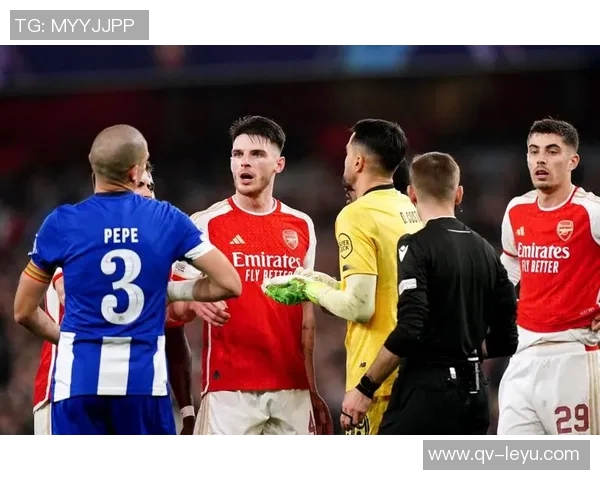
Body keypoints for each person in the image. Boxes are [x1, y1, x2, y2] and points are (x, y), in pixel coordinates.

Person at [14, 124, 241, 435]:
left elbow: (23, 311)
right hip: (144, 386)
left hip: (77, 383)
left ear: (93, 170)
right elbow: (230, 283)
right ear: (135, 172)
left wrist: (70, 342)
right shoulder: (165, 219)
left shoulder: (61, 224)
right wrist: (171, 292)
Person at [170, 115, 332, 435]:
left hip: (292, 389)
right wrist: (195, 303)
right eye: (237, 154)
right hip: (229, 390)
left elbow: (306, 317)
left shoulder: (301, 225)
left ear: (279, 164)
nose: (244, 162)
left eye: (256, 154)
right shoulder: (205, 224)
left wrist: (311, 388)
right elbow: (172, 307)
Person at [340, 151, 518, 434]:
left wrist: (365, 387)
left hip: (426, 395)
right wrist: (465, 351)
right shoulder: (486, 250)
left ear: (411, 194)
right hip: (475, 399)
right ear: (458, 194)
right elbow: (506, 339)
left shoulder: (415, 246)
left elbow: (411, 327)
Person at [268, 119, 423, 435]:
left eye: (346, 154)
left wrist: (309, 289)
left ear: (358, 162)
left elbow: (359, 307)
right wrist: (323, 282)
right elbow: (383, 288)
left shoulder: (357, 215)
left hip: (376, 379)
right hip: (418, 372)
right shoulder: (411, 208)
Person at [497, 118, 600, 435]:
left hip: (574, 353)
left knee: (577, 460)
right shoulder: (517, 209)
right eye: (534, 151)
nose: (540, 159)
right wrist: (489, 301)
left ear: (572, 161)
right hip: (523, 355)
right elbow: (511, 264)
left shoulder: (591, 211)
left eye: (552, 151)